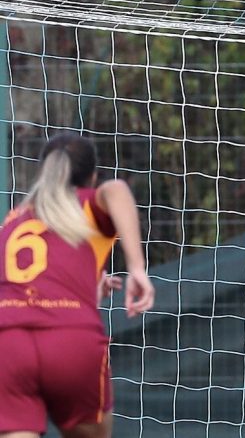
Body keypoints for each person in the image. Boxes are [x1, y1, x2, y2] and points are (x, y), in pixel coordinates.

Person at [0, 133, 155, 438]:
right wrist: (137, 268)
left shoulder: (12, 221)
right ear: (92, 176)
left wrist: (88, 287)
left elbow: (33, 278)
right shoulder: (83, 204)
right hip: (69, 339)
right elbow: (117, 190)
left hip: (8, 342)